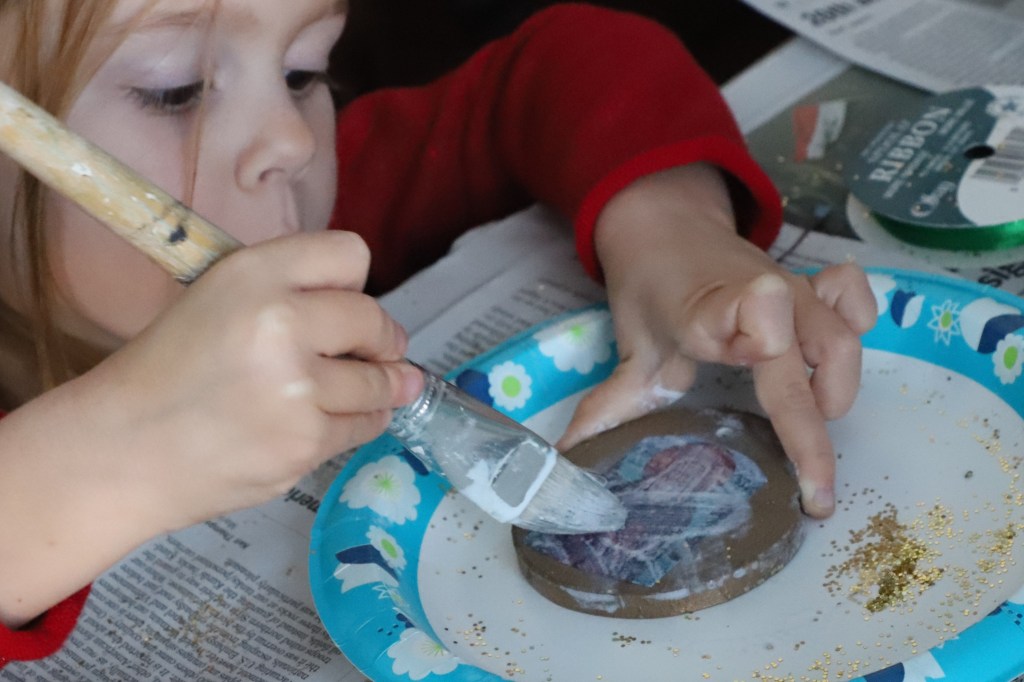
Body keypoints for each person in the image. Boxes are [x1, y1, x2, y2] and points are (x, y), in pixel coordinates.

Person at [0, 0, 876, 667]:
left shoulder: (343, 209)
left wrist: (670, 228)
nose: (290, 140)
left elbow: (565, 61)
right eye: (174, 90)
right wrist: (96, 470)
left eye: (303, 72)